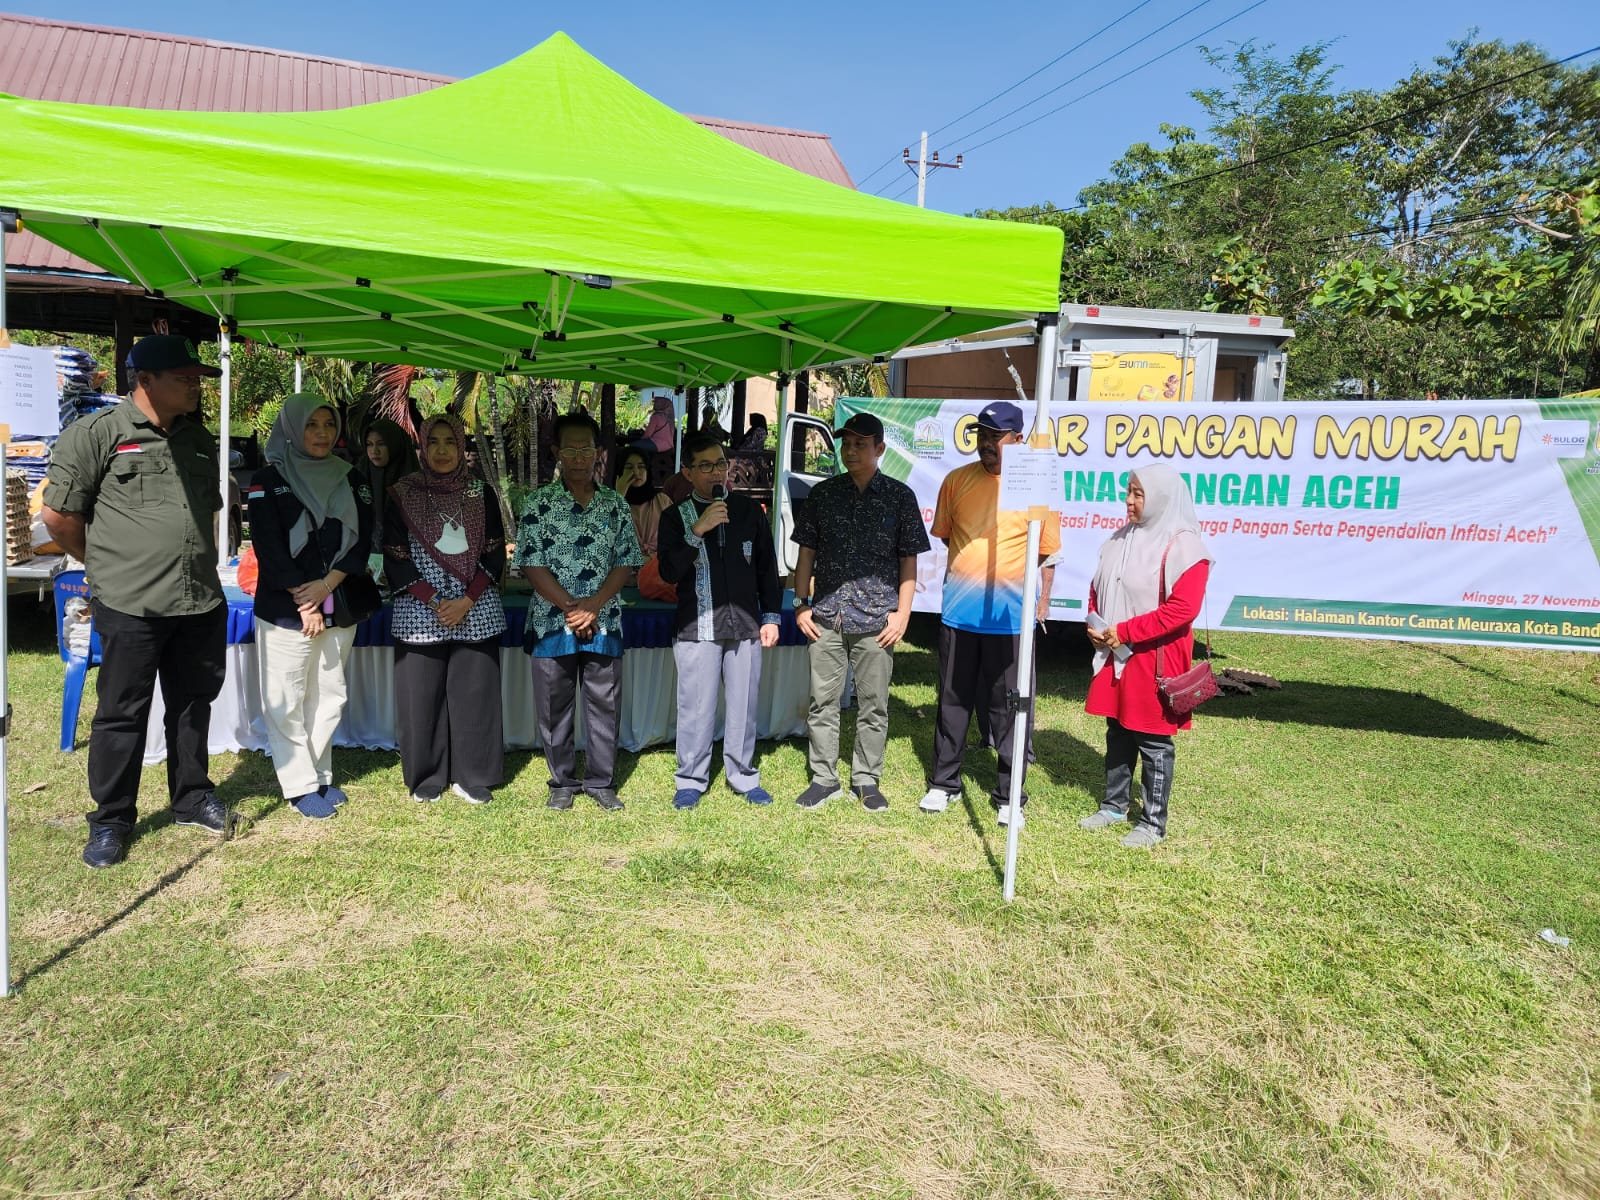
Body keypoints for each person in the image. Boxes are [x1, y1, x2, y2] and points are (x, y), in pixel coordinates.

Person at [42, 335, 231, 867]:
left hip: (198, 599)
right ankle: (111, 820)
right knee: (123, 713)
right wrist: (103, 567)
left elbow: (205, 513)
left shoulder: (197, 439)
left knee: (193, 703)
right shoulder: (96, 435)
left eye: (196, 377)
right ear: (144, 380)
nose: (196, 385)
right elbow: (58, 517)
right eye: (184, 377)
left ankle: (191, 796)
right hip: (131, 604)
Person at [919, 401, 1060, 828]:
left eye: (995, 436)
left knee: (1011, 706)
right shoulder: (956, 481)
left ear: (1017, 440)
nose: (986, 443)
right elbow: (948, 539)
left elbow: (1047, 554)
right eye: (981, 435)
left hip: (1011, 618)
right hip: (960, 614)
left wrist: (1041, 604)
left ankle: (1009, 793)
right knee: (952, 700)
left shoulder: (1036, 488)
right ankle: (944, 783)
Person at [791, 413, 929, 812]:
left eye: (860, 444)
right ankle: (823, 778)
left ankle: (867, 779)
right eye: (846, 443)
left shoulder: (900, 497)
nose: (850, 451)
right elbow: (806, 554)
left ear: (880, 449)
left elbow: (908, 561)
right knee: (822, 702)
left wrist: (902, 614)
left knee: (874, 704)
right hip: (827, 617)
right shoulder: (823, 494)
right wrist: (801, 604)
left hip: (876, 621)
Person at [247, 393, 376, 819]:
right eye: (311, 425)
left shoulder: (351, 478)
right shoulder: (268, 479)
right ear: (292, 428)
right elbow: (268, 546)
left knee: (330, 694)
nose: (321, 433)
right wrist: (304, 602)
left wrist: (326, 587)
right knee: (286, 696)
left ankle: (319, 775)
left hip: (338, 600)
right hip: (287, 609)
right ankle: (299, 785)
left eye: (328, 425)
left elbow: (362, 540)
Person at [514, 413, 643, 811]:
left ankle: (602, 781)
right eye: (569, 448)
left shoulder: (615, 505)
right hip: (553, 620)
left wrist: (594, 604)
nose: (577, 456)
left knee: (604, 702)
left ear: (598, 453)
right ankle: (562, 782)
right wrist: (571, 607)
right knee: (554, 705)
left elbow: (627, 561)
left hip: (604, 618)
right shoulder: (537, 504)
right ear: (556, 452)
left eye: (585, 448)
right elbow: (531, 563)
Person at [1081, 464, 1214, 848]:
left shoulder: (1185, 546)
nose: (1129, 500)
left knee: (1154, 741)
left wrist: (1124, 631)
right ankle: (1114, 805)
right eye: (1129, 491)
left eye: (1138, 493)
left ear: (1160, 498)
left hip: (1153, 657)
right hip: (1114, 652)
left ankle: (1153, 824)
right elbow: (1098, 585)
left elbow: (1182, 610)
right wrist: (1095, 625)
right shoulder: (1121, 537)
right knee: (1119, 729)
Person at [385, 414, 508, 805]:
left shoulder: (480, 493)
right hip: (422, 612)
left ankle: (473, 776)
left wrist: (467, 599)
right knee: (421, 698)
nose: (441, 450)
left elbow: (494, 550)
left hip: (475, 607)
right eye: (433, 442)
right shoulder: (401, 493)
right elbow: (395, 556)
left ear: (462, 447)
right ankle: (427, 777)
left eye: (450, 442)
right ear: (421, 446)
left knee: (475, 695)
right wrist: (438, 602)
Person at [656, 432, 782, 809]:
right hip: (697, 626)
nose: (717, 473)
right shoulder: (674, 517)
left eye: (721, 464)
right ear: (688, 472)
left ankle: (742, 775)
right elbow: (668, 571)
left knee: (744, 704)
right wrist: (698, 530)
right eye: (706, 466)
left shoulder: (748, 512)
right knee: (696, 705)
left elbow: (766, 568)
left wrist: (771, 616)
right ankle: (691, 779)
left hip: (744, 624)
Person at [355, 418, 418, 582]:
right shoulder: (358, 477)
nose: (374, 450)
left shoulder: (414, 483)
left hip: (409, 569)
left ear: (394, 444)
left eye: (381, 444)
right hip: (363, 568)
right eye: (369, 444)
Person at [614, 443, 672, 559]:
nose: (636, 472)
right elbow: (605, 537)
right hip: (623, 572)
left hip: (657, 569)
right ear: (620, 471)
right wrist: (618, 496)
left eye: (641, 466)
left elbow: (675, 539)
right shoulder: (611, 502)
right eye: (629, 467)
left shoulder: (662, 501)